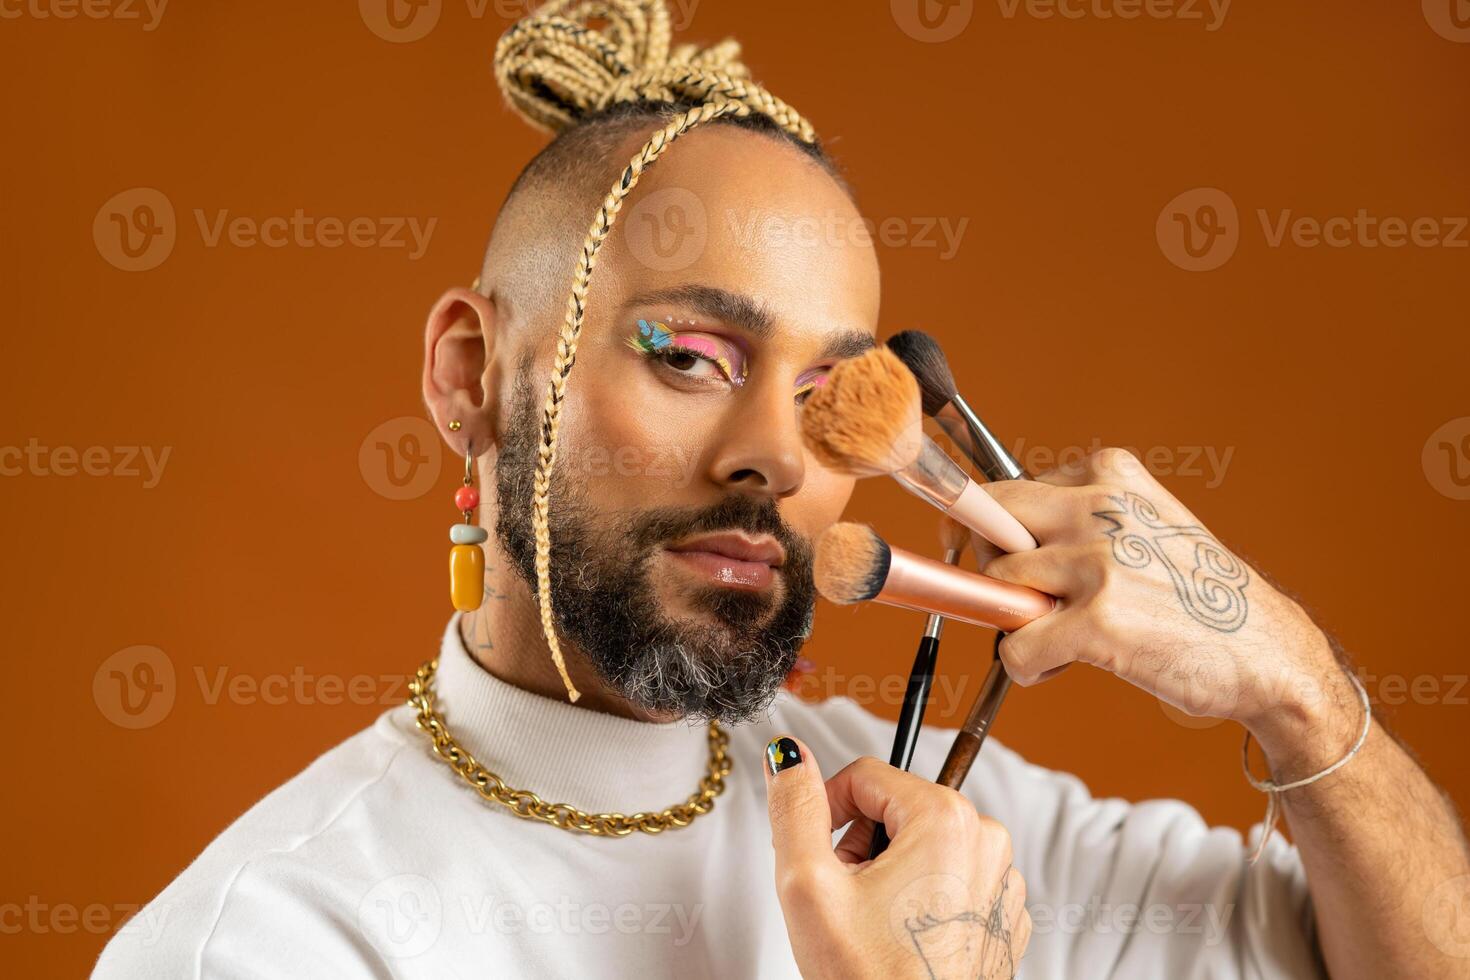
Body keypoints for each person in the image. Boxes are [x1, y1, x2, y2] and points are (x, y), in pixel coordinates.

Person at [94, 2, 1470, 977]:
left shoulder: (933, 818)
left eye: (829, 393)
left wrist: (1295, 686)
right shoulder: (274, 939)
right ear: (474, 376)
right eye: (690, 356)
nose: (778, 457)